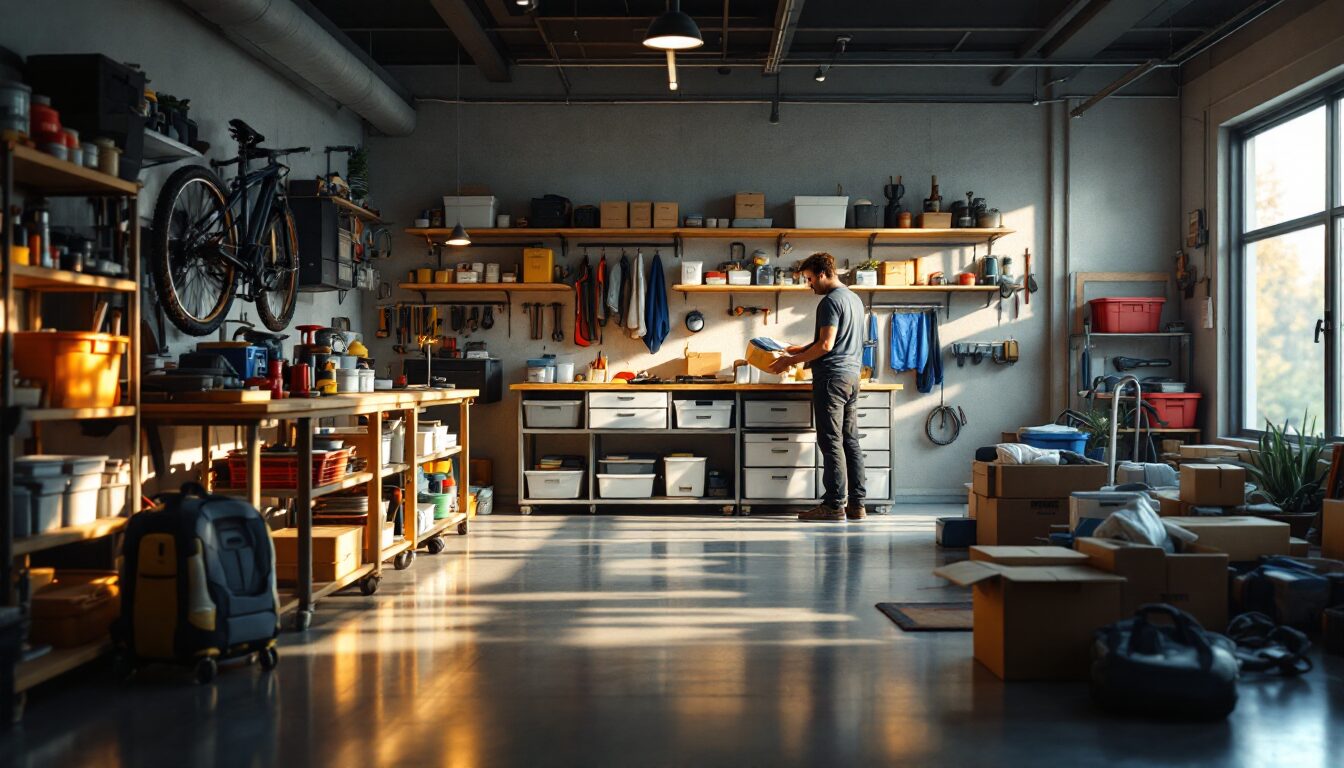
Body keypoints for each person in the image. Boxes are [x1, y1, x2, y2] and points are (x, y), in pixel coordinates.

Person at [769, 252, 866, 522]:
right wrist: (798, 349)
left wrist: (790, 360)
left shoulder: (829, 302)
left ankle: (834, 505)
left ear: (823, 274)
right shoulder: (854, 300)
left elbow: (826, 346)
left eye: (810, 279)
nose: (808, 284)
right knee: (850, 441)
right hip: (852, 378)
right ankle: (857, 505)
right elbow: (836, 341)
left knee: (831, 442)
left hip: (831, 379)